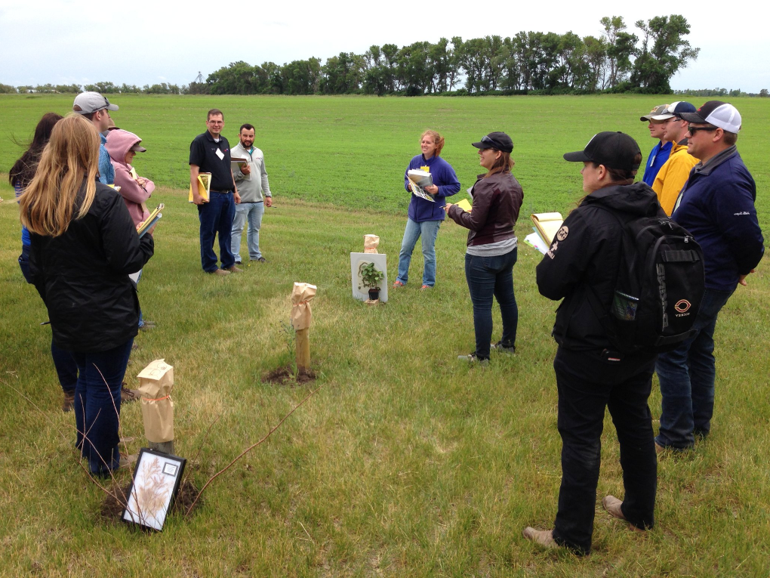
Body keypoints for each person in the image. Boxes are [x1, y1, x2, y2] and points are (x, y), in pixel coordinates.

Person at [524, 132, 659, 555]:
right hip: (640, 343)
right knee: (635, 425)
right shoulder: (654, 208)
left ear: (601, 172)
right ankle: (639, 510)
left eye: (585, 164)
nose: (581, 171)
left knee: (582, 438)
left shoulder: (589, 218)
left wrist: (555, 253)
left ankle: (571, 537)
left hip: (590, 347)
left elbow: (550, 283)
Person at [19, 115, 154, 477]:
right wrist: (145, 238)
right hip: (106, 312)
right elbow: (127, 258)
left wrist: (59, 296)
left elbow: (35, 266)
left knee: (85, 378)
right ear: (88, 150)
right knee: (104, 386)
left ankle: (86, 442)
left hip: (65, 310)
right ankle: (102, 460)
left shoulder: (38, 200)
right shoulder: (104, 201)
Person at [655, 102, 764, 451]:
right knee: (698, 349)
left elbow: (749, 238)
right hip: (698, 277)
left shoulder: (728, 178)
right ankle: (696, 424)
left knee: (670, 350)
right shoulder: (708, 168)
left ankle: (675, 438)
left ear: (717, 134)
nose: (686, 132)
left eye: (695, 129)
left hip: (703, 282)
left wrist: (741, 269)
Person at [9, 112, 78, 412]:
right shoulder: (49, 170)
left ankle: (73, 390)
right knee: (65, 324)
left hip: (31, 253)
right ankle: (73, 391)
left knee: (61, 319)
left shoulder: (20, 168)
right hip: (51, 250)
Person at [445, 132, 523, 364]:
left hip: (483, 255)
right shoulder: (513, 181)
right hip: (508, 249)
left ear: (498, 154)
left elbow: (475, 222)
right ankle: (507, 345)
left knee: (482, 305)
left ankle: (481, 357)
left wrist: (452, 210)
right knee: (507, 300)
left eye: (484, 149)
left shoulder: (487, 184)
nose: (479, 152)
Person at [393, 130, 460, 289]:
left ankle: (428, 283)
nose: (424, 145)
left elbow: (455, 186)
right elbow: (406, 178)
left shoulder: (443, 166)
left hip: (432, 215)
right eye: (423, 141)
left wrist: (438, 190)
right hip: (414, 214)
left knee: (427, 251)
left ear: (436, 145)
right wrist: (408, 186)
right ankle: (401, 279)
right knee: (405, 248)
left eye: (428, 142)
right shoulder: (415, 161)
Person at [106, 128, 156, 330]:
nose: (134, 154)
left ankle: (137, 320)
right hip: (129, 231)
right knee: (128, 282)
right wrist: (146, 186)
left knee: (132, 281)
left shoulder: (124, 167)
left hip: (136, 229)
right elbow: (140, 194)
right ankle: (131, 324)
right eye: (131, 150)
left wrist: (145, 184)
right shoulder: (117, 170)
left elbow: (144, 185)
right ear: (119, 148)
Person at [189, 109, 241, 275]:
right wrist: (196, 194)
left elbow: (228, 170)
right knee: (208, 231)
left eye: (219, 122)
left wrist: (235, 190)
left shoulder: (225, 142)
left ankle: (228, 263)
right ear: (207, 123)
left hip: (227, 195)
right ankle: (210, 266)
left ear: (223, 124)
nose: (216, 125)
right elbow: (194, 171)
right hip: (210, 195)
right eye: (213, 121)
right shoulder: (199, 142)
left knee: (226, 231)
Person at [230, 123, 273, 264]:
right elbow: (229, 177)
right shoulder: (232, 153)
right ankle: (235, 258)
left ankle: (255, 255)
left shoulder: (259, 153)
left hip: (257, 200)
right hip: (240, 199)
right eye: (245, 135)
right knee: (237, 229)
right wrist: (242, 174)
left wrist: (268, 194)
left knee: (255, 229)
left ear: (254, 136)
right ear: (239, 136)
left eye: (251, 136)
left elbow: (263, 174)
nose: (248, 138)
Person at [650, 101, 699, 215]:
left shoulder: (682, 158)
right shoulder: (680, 153)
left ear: (684, 122)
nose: (663, 126)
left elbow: (669, 210)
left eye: (667, 121)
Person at [72, 91, 119, 184]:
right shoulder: (97, 148)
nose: (109, 116)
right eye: (106, 112)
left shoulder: (67, 141)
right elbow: (100, 186)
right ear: (98, 115)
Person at [640, 104, 672, 187]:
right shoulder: (655, 149)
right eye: (649, 122)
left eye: (654, 121)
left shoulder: (676, 152)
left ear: (668, 122)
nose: (649, 126)